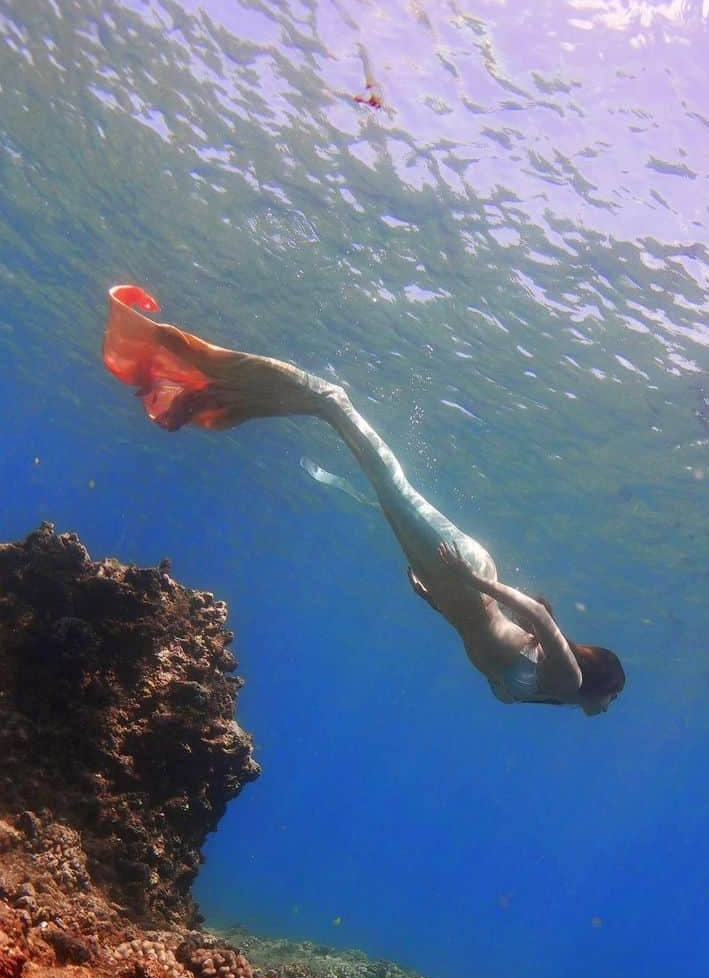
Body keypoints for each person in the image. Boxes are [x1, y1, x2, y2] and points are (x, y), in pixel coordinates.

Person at [103, 284, 625, 715]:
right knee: (358, 442)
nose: (610, 706)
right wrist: (470, 582)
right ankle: (291, 387)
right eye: (615, 695)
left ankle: (220, 393)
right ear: (599, 680)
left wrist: (434, 597)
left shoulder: (549, 693)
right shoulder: (565, 677)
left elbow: (485, 635)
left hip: (456, 587)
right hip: (465, 576)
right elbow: (535, 611)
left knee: (379, 482)